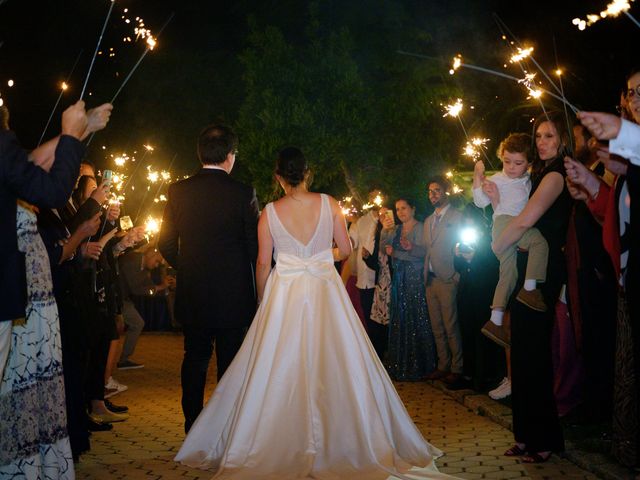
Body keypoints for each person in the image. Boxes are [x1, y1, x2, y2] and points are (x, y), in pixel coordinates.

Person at [175, 147, 447, 479]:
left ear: (278, 177)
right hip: (323, 290)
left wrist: (263, 301)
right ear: (307, 173)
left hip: (285, 293)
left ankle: (271, 440)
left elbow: (263, 262)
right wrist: (319, 256)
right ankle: (348, 440)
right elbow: (346, 250)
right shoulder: (330, 204)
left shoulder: (269, 213)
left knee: (279, 364)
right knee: (336, 360)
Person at [0, 100, 112, 476]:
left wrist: (83, 129)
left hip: (31, 297)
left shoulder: (11, 162)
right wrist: (70, 134)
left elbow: (28, 161)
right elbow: (48, 189)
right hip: (18, 295)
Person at [158, 124, 259, 433]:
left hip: (195, 289)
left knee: (195, 358)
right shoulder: (243, 193)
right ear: (229, 156)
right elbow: (254, 245)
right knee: (230, 362)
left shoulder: (177, 190)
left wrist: (187, 264)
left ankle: (193, 423)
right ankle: (225, 426)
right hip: (233, 293)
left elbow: (164, 243)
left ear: (199, 153)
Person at [491, 111, 572, 463]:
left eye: (550, 136)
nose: (542, 142)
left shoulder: (556, 175)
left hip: (542, 271)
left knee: (534, 355)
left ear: (564, 140)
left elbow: (527, 219)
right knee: (521, 353)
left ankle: (545, 440)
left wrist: (497, 245)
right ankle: (524, 436)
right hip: (527, 266)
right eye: (538, 136)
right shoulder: (537, 172)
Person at [473, 133, 549, 348]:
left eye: (518, 163)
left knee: (508, 272)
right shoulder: (497, 178)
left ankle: (495, 320)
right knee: (538, 242)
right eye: (507, 161)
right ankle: (530, 289)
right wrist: (478, 179)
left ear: (529, 163)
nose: (511, 167)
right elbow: (479, 202)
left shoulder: (528, 178)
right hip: (506, 224)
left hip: (509, 224)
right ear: (501, 157)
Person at [381, 197, 436, 381]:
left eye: (404, 208)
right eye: (397, 209)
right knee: (401, 319)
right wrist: (385, 229)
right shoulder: (395, 229)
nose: (400, 212)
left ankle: (420, 365)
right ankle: (401, 364)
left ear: (412, 208)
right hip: (399, 279)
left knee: (416, 317)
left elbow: (423, 254)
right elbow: (383, 249)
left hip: (414, 278)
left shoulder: (420, 227)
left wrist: (406, 249)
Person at [423, 176, 464, 385]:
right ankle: (443, 365)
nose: (433, 195)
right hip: (430, 280)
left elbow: (465, 244)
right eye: (430, 191)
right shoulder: (428, 221)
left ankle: (457, 368)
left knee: (450, 325)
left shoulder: (457, 217)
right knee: (436, 326)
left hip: (448, 278)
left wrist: (457, 274)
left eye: (437, 190)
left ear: (446, 192)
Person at [117, 246, 170, 369]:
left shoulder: (142, 265)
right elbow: (137, 289)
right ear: (151, 254)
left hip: (122, 298)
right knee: (133, 324)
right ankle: (121, 361)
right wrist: (161, 287)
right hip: (116, 299)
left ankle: (123, 359)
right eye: (157, 261)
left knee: (136, 323)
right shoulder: (133, 261)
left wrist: (164, 287)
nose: (157, 265)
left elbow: (148, 287)